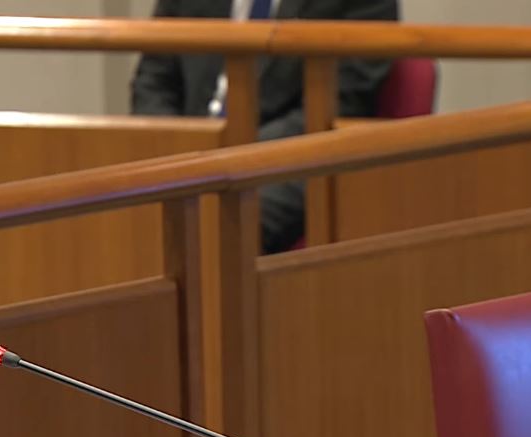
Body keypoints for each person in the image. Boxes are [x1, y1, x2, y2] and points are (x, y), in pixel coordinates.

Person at [131, 0, 400, 253]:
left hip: (292, 161)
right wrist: (175, 147)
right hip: (186, 159)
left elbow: (342, 102)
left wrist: (231, 155)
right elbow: (153, 80)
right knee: (124, 216)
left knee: (216, 225)